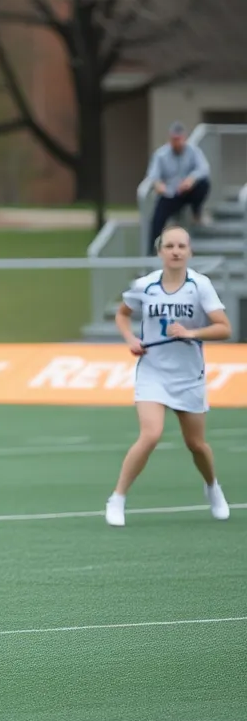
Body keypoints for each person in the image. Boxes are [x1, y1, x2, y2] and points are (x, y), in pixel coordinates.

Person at [106, 225, 232, 527]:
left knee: (196, 444)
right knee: (150, 434)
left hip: (189, 376)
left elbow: (224, 328)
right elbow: (122, 314)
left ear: (190, 252)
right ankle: (117, 498)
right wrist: (131, 339)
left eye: (181, 246)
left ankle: (212, 487)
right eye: (170, 246)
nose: (176, 252)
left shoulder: (200, 285)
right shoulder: (145, 285)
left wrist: (191, 333)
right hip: (153, 372)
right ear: (160, 251)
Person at [144, 122, 212, 248]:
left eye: (179, 139)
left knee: (203, 184)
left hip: (187, 191)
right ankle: (152, 250)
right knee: (157, 219)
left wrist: (191, 179)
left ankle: (196, 213)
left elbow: (204, 169)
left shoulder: (193, 151)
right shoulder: (161, 154)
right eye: (174, 140)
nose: (177, 143)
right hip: (169, 193)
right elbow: (153, 175)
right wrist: (158, 184)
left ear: (184, 138)